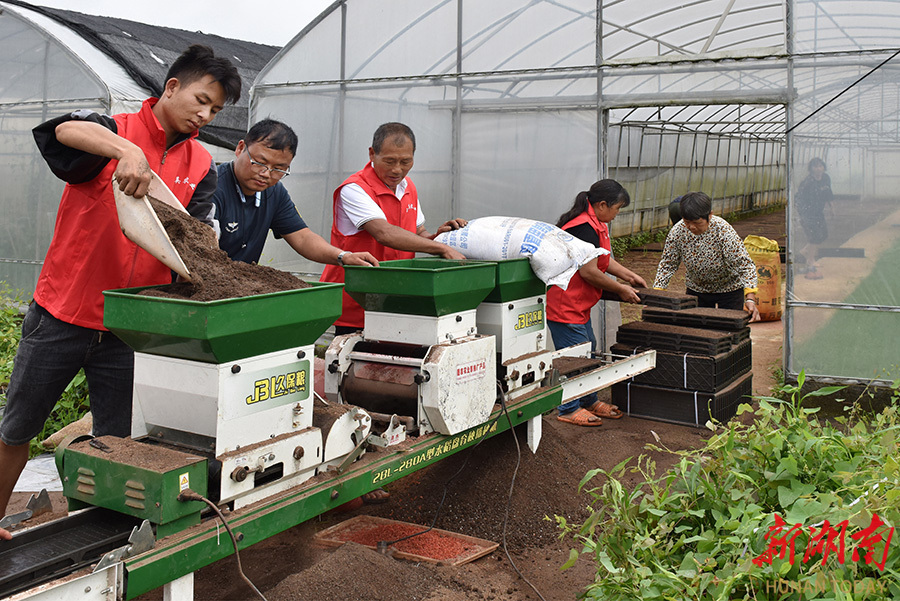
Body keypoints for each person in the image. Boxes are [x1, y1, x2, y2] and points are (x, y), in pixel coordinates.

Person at [0, 45, 242, 540]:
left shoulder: (202, 163)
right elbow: (60, 130)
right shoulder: (114, 130)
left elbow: (195, 236)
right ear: (171, 87)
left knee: (119, 441)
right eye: (200, 100)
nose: (204, 115)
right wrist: (125, 151)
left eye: (215, 110)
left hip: (131, 327)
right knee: (16, 429)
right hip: (63, 311)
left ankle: (101, 537)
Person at [320, 122, 467, 334]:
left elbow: (418, 232)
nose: (397, 169)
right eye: (389, 161)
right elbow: (384, 233)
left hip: (396, 299)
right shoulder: (355, 189)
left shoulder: (408, 187)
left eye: (405, 161)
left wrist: (438, 237)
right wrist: (440, 249)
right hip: (357, 302)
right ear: (372, 154)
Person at [213, 119, 378, 269]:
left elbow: (302, 237)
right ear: (240, 148)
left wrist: (343, 256)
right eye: (259, 163)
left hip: (240, 285)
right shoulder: (211, 187)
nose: (266, 173)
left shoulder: (274, 192)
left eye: (278, 168)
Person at [547, 179, 647, 427]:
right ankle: (568, 407)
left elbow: (602, 259)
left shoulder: (596, 224)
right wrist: (620, 289)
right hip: (565, 304)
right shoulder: (582, 227)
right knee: (574, 357)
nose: (617, 214)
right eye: (617, 209)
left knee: (587, 351)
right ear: (602, 205)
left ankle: (589, 400)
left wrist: (628, 275)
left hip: (579, 304)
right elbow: (589, 272)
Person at [653, 191, 761, 320]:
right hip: (697, 290)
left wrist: (750, 298)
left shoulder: (723, 231)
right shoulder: (678, 232)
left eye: (697, 223)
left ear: (710, 215)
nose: (691, 227)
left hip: (729, 290)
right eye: (687, 222)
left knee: (727, 329)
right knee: (698, 331)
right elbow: (667, 265)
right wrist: (657, 293)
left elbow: (745, 265)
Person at [796, 157, 833, 280]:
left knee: (824, 235)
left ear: (823, 167)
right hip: (808, 213)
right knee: (815, 236)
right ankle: (810, 261)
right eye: (815, 166)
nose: (818, 168)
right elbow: (798, 198)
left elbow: (828, 194)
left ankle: (804, 252)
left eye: (820, 166)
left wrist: (832, 208)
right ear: (811, 169)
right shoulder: (807, 182)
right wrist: (802, 213)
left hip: (818, 212)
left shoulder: (826, 179)